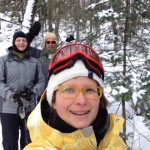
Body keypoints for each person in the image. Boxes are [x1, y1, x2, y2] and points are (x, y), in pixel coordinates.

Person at [24, 42, 127, 150]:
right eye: (69, 90)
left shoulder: (116, 144)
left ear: (99, 97)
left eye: (89, 90)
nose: (81, 101)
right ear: (53, 100)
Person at [0, 31, 45, 150]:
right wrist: (12, 95)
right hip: (8, 109)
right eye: (18, 40)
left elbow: (41, 81)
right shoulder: (3, 61)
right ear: (14, 42)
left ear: (27, 43)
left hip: (29, 107)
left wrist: (33, 93)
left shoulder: (34, 62)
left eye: (24, 40)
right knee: (10, 141)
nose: (21, 43)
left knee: (28, 140)